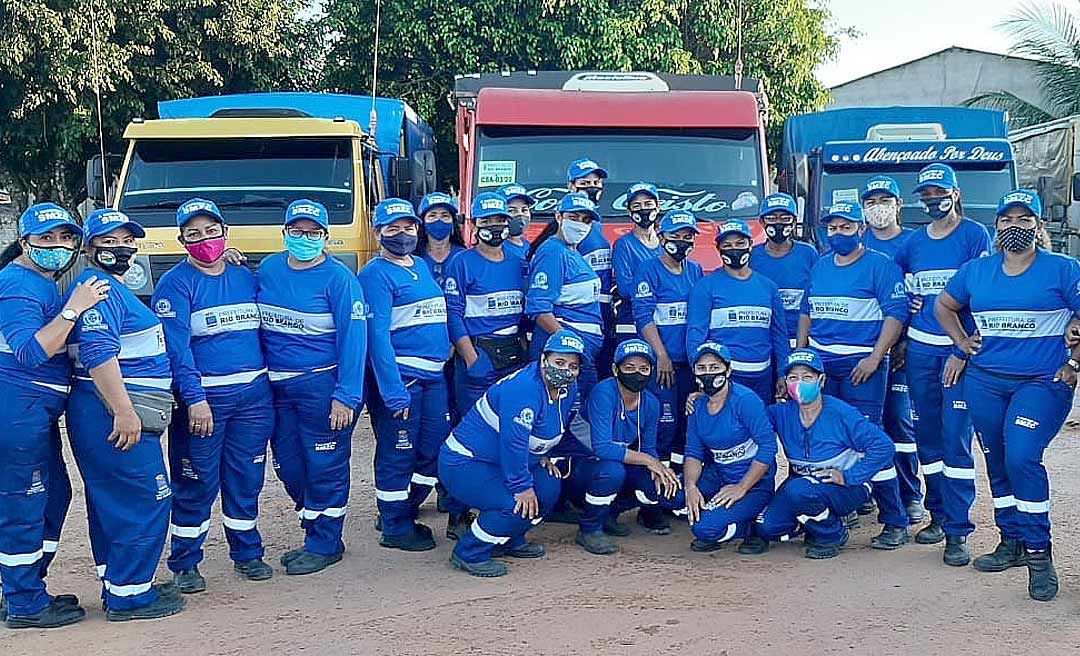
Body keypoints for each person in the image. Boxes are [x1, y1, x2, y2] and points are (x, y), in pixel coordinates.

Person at [937, 189, 1080, 601]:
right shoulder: (977, 271)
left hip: (1041, 383)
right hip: (985, 381)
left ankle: (1039, 555)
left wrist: (1074, 362)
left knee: (1021, 456)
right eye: (1006, 220)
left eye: (1023, 219)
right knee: (997, 461)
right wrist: (962, 343)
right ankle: (1011, 541)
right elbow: (944, 307)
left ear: (1037, 226)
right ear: (996, 226)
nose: (1014, 227)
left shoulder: (1062, 269)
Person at [66, 209, 184, 621]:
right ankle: (132, 596)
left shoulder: (110, 286)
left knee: (111, 501)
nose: (120, 249)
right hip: (112, 413)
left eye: (127, 241)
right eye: (109, 242)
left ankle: (119, 581)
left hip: (108, 410)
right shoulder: (97, 288)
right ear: (89, 248)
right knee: (146, 498)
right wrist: (124, 412)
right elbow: (99, 353)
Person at [153, 198, 274, 593]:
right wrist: (195, 399)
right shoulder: (175, 284)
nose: (204, 240)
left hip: (254, 398)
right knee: (197, 483)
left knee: (246, 477)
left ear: (225, 233)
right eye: (194, 234)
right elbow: (177, 350)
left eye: (211, 231)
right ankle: (185, 562)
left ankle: (248, 553)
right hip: (206, 402)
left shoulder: (244, 276)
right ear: (181, 240)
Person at [0, 204, 107, 629]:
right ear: (26, 243)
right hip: (17, 411)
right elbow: (29, 351)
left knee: (54, 494)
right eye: (46, 239)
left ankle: (24, 585)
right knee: (23, 504)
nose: (58, 247)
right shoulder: (17, 285)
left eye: (65, 238)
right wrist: (73, 310)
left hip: (34, 412)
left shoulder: (41, 281)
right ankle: (25, 604)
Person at [257, 200, 367, 575]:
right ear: (284, 233)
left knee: (325, 465)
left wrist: (346, 396)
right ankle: (314, 528)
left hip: (323, 387)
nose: (305, 238)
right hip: (279, 387)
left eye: (313, 232)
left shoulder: (340, 280)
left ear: (325, 237)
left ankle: (325, 542)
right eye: (297, 231)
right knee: (289, 466)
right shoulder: (269, 268)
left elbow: (355, 341)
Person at [798, 201, 912, 549]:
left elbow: (896, 314)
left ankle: (894, 520)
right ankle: (841, 505)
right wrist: (801, 356)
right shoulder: (820, 266)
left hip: (862, 367)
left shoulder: (880, 266)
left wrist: (876, 358)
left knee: (870, 441)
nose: (838, 234)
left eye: (845, 227)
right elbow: (807, 311)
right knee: (829, 439)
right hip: (822, 367)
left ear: (860, 229)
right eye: (832, 228)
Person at [893, 163, 991, 564]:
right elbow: (893, 279)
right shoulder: (913, 243)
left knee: (956, 439)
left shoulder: (974, 235)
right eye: (926, 194)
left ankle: (958, 529)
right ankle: (936, 515)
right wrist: (908, 302)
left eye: (939, 191)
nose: (933, 199)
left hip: (957, 356)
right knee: (927, 438)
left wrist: (960, 350)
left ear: (955, 193)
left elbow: (980, 296)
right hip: (919, 351)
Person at [438, 330, 583, 577]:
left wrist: (543, 454)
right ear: (543, 358)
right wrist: (521, 487)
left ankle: (509, 538)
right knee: (514, 503)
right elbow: (512, 442)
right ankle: (469, 552)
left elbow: (553, 426)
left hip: (506, 461)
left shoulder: (568, 388)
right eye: (559, 362)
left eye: (573, 366)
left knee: (549, 486)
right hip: (466, 462)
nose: (566, 370)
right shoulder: (524, 388)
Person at [360, 198, 458, 549]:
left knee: (433, 449)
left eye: (408, 227)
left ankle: (405, 507)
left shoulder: (419, 264)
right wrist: (392, 390)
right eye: (393, 228)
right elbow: (377, 338)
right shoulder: (375, 274)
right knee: (397, 452)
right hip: (404, 379)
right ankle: (395, 526)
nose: (403, 234)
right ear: (378, 232)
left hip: (433, 378)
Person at [742, 349, 897, 560]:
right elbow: (746, 418)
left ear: (821, 381)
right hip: (804, 485)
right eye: (793, 378)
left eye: (807, 377)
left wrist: (849, 476)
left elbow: (884, 446)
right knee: (768, 527)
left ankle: (832, 534)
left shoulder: (842, 413)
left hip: (847, 488)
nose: (799, 383)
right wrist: (704, 399)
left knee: (798, 491)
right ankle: (815, 524)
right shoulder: (780, 413)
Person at [558, 340, 680, 555]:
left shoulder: (651, 402)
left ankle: (609, 513)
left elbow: (648, 448)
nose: (637, 374)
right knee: (612, 471)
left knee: (662, 489)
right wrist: (650, 461)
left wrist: (658, 469)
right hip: (580, 464)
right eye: (629, 368)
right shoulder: (603, 392)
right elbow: (603, 448)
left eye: (644, 368)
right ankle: (589, 528)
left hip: (613, 460)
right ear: (615, 369)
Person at [860, 176, 924, 525]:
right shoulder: (857, 240)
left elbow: (915, 302)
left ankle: (909, 494)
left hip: (903, 351)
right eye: (871, 201)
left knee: (900, 422)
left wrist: (904, 342)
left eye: (886, 199)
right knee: (863, 424)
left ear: (899, 204)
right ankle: (865, 492)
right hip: (863, 352)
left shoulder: (915, 243)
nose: (878, 207)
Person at [677, 342, 776, 552]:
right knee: (675, 497)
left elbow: (768, 447)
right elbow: (693, 451)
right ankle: (731, 515)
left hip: (753, 481)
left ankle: (752, 528)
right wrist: (691, 487)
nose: (708, 373)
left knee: (705, 529)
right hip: (720, 474)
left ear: (728, 369)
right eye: (701, 368)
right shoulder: (697, 404)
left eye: (714, 367)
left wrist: (741, 488)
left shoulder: (745, 400)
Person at [685, 218, 789, 404]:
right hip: (725, 379)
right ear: (719, 249)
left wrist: (783, 373)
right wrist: (701, 376)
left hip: (762, 377)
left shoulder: (769, 287)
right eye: (728, 245)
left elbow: (779, 336)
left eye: (740, 243)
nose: (734, 249)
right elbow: (695, 334)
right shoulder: (705, 287)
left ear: (750, 245)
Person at [632, 210, 704, 476]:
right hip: (662, 364)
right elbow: (643, 317)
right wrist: (661, 355)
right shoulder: (649, 269)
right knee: (663, 426)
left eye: (688, 236)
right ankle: (653, 490)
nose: (682, 241)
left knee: (687, 427)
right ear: (661, 237)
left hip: (689, 363)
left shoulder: (695, 270)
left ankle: (679, 485)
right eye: (676, 235)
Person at [444, 192, 528, 417]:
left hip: (514, 353)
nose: (494, 226)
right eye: (486, 221)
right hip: (480, 352)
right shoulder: (461, 263)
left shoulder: (518, 262)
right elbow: (453, 314)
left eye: (500, 220)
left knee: (511, 421)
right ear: (474, 224)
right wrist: (471, 358)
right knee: (476, 424)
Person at [525, 193, 604, 407]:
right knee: (565, 416)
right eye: (574, 217)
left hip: (580, 354)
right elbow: (538, 307)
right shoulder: (553, 252)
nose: (580, 224)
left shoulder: (573, 252)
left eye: (586, 220)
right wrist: (567, 341)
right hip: (564, 356)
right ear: (559, 216)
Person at [750, 193, 818, 347]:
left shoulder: (808, 253)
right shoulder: (751, 255)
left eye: (785, 218)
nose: (778, 223)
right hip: (764, 338)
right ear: (762, 222)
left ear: (794, 222)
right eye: (772, 218)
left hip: (799, 336)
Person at [566, 158, 615, 372]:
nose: (592, 187)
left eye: (596, 183)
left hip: (603, 307)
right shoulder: (571, 228)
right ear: (571, 186)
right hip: (581, 310)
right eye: (585, 183)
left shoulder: (596, 223)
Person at [611, 182, 662, 342]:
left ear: (657, 207)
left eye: (648, 204)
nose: (643, 209)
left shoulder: (667, 241)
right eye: (637, 205)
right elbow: (625, 288)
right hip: (632, 317)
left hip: (664, 317)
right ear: (629, 211)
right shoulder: (623, 244)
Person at [415, 192, 466, 288]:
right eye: (432, 216)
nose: (439, 220)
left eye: (445, 216)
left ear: (453, 223)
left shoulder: (463, 256)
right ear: (423, 223)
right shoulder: (413, 258)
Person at [497, 183, 536, 261]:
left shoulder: (527, 245)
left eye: (524, 210)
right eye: (512, 210)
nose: (520, 214)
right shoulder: (496, 248)